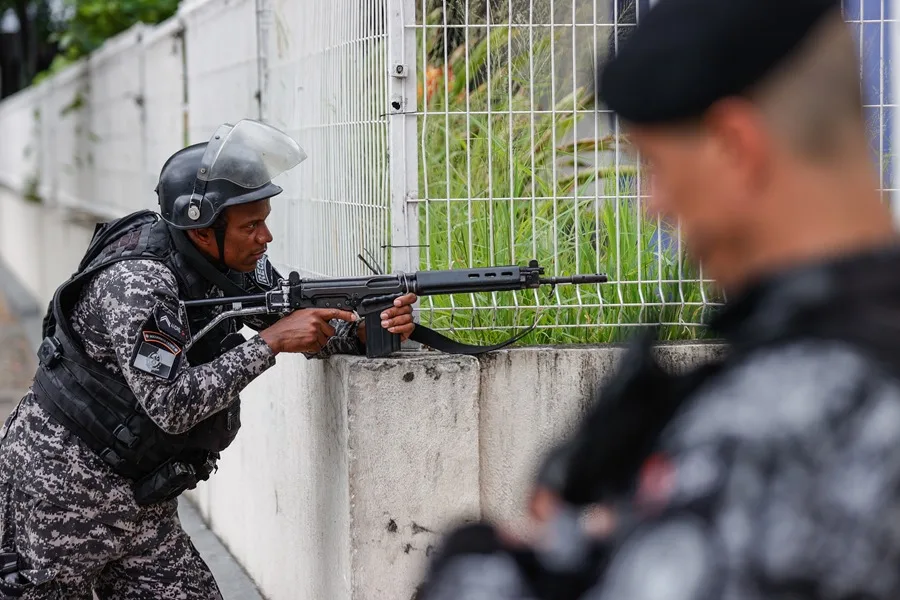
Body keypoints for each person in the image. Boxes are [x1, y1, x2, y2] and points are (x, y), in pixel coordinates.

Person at [414, 0, 900, 599]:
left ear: (734, 147)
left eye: (655, 165)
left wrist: (477, 569)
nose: (654, 203)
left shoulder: (777, 425)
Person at [0, 119, 418, 598]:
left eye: (264, 219)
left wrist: (364, 330)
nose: (266, 238)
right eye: (251, 226)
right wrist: (268, 346)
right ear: (201, 232)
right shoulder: (140, 284)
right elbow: (173, 405)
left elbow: (293, 318)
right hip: (59, 493)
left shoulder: (233, 265)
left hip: (142, 498)